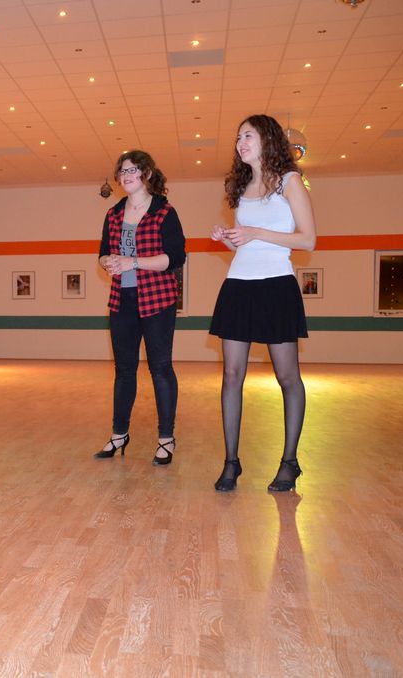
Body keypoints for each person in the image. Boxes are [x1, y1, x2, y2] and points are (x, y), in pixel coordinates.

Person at [209, 114, 317, 492]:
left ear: (267, 139)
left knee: (287, 377)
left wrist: (255, 231)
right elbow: (246, 245)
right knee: (231, 376)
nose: (241, 142)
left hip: (276, 286)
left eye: (248, 135)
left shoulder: (290, 181)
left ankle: (290, 462)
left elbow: (307, 240)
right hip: (239, 285)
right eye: (238, 137)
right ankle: (231, 462)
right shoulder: (241, 188)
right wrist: (228, 238)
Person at [95, 150, 187, 465]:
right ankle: (119, 434)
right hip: (122, 300)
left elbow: (175, 258)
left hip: (157, 300)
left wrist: (132, 261)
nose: (127, 175)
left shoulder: (164, 212)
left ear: (146, 173)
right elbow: (103, 252)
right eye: (122, 171)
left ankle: (166, 438)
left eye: (133, 169)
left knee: (160, 368)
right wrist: (108, 262)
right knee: (124, 370)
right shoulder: (113, 214)